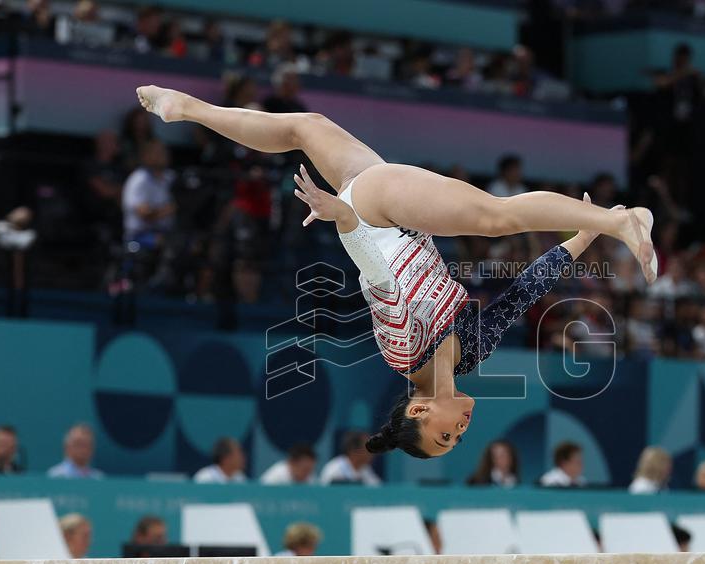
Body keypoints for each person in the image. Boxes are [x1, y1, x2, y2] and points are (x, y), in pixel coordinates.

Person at [136, 85, 657, 460]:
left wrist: (347, 223)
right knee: (303, 128)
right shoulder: (471, 350)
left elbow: (379, 282)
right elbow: (524, 292)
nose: (461, 431)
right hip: (385, 207)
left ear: (418, 413)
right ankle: (188, 107)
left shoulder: (403, 352)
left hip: (377, 215)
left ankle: (622, 221)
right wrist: (580, 238)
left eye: (445, 435)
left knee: (495, 217)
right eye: (456, 441)